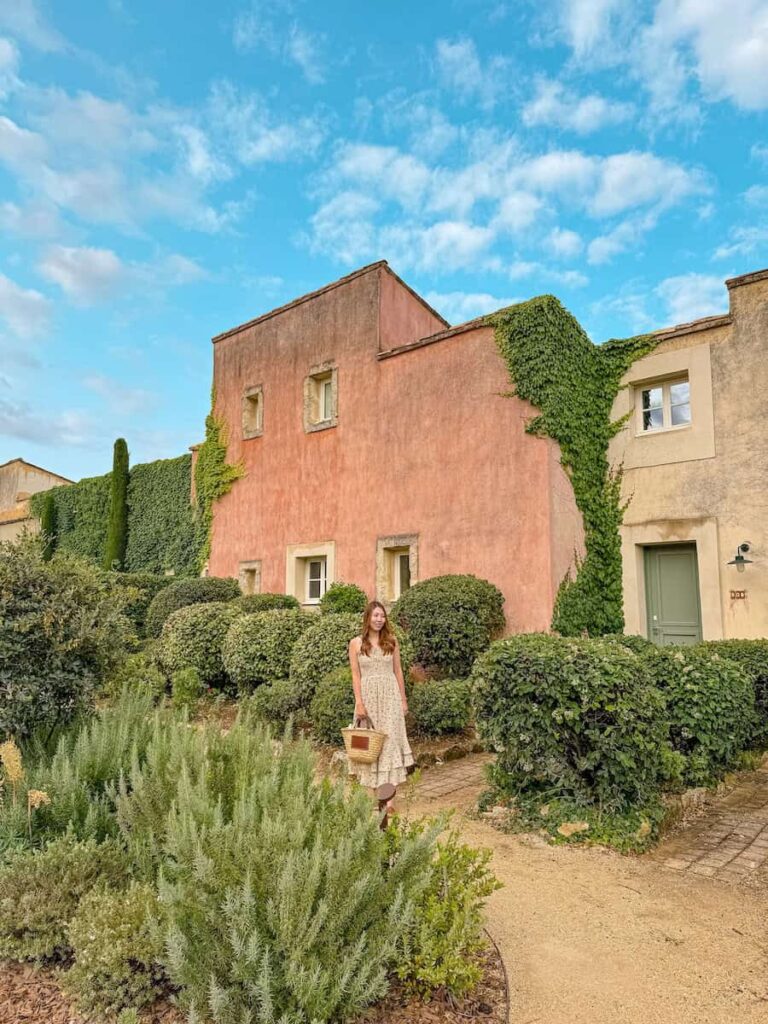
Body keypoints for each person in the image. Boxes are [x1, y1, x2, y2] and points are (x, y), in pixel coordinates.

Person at [347, 600, 414, 810]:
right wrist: (359, 702)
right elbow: (355, 674)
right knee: (369, 745)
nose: (379, 619)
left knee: (390, 744)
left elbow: (398, 671)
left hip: (390, 697)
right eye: (375, 616)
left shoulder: (392, 641)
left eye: (382, 616)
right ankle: (373, 796)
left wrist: (403, 699)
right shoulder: (356, 643)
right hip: (368, 697)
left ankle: (388, 801)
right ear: (368, 618)